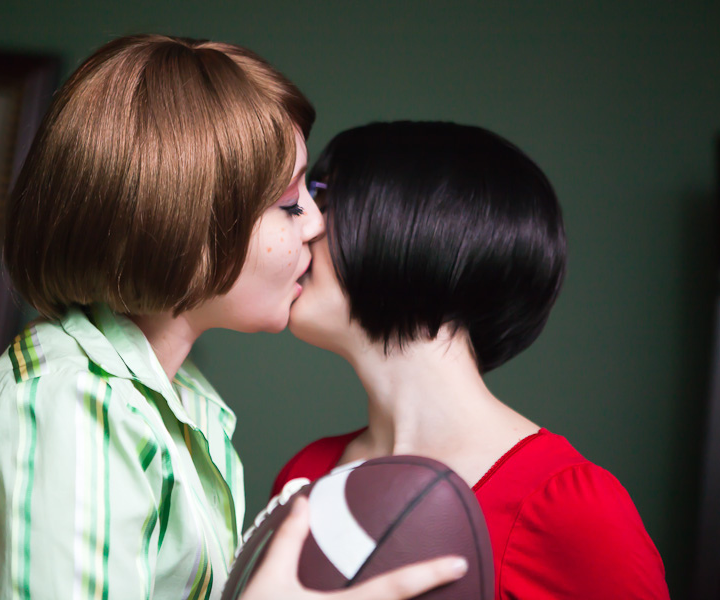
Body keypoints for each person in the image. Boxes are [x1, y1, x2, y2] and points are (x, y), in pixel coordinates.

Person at [0, 37, 468, 600]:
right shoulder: (71, 406)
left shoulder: (183, 399)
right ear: (186, 229)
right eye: (291, 203)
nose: (317, 224)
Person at [275, 121, 671, 599]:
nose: (306, 222)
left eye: (325, 195)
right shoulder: (306, 474)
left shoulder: (571, 509)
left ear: (423, 232)